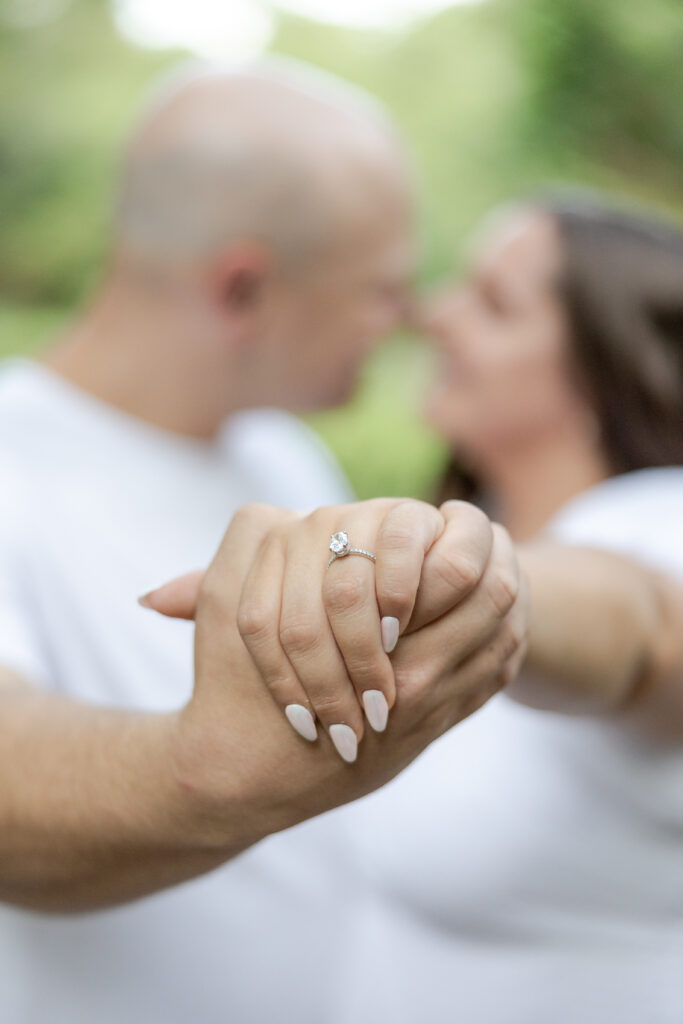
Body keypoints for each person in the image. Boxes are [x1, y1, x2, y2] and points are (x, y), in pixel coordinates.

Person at [0, 63, 528, 1024]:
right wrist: (206, 773)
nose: (407, 320)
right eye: (381, 289)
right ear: (241, 287)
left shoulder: (283, 454)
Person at [203, 193, 680, 1023]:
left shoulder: (660, 522)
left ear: (610, 363)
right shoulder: (485, 511)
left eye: (492, 303)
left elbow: (635, 622)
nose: (434, 315)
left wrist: (474, 581)